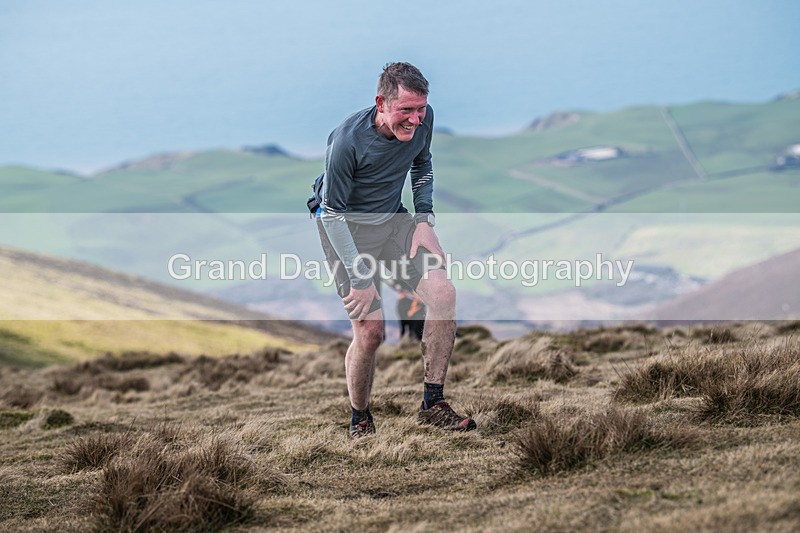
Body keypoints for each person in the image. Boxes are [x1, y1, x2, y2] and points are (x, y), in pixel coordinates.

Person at [315, 62, 476, 438]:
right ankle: (360, 418)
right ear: (381, 103)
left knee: (443, 293)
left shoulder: (424, 118)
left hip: (393, 222)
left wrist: (424, 220)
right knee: (371, 332)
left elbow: (422, 163)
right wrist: (360, 277)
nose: (416, 119)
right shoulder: (346, 142)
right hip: (346, 232)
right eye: (406, 110)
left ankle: (432, 403)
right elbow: (332, 214)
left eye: (420, 109)